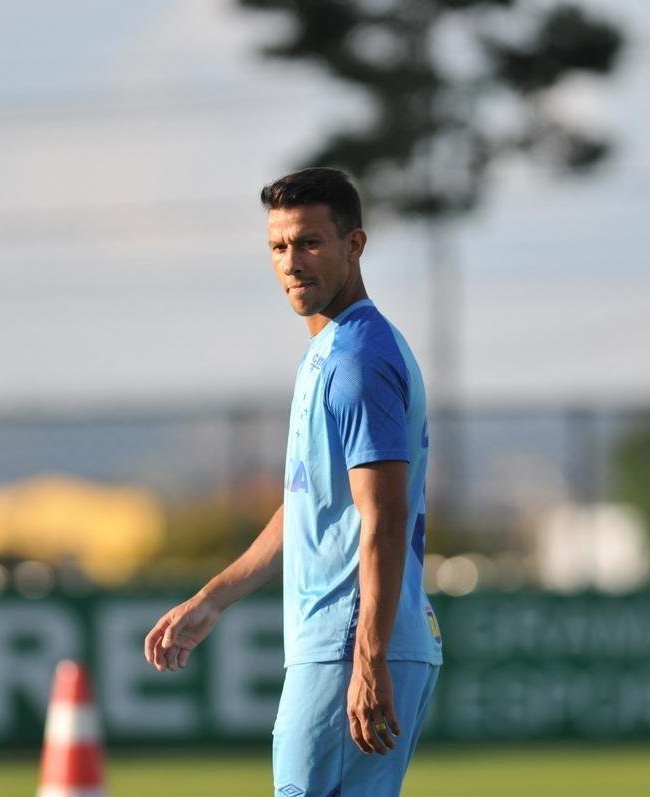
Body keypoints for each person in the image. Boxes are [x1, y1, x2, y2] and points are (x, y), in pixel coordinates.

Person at [143, 167, 442, 796]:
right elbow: (309, 508)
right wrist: (214, 598)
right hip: (347, 643)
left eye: (310, 242)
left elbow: (383, 518)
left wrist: (368, 658)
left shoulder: (358, 360)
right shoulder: (331, 352)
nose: (291, 262)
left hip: (348, 642)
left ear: (354, 245)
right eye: (278, 246)